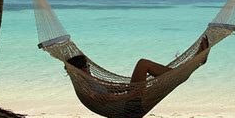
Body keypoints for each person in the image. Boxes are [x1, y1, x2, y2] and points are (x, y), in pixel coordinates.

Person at [66, 34, 209, 85]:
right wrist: (131, 92)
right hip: (129, 103)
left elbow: (109, 92)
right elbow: (104, 99)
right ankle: (196, 61)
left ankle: (195, 62)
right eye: (86, 67)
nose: (89, 69)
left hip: (128, 96)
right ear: (79, 70)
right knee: (143, 63)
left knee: (148, 66)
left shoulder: (91, 82)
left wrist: (124, 89)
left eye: (88, 67)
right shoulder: (87, 85)